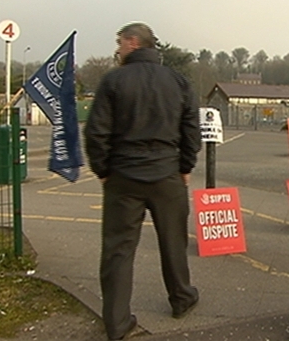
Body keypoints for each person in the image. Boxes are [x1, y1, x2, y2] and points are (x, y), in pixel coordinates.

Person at [84, 22, 201, 341]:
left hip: (123, 174)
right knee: (174, 241)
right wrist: (185, 165)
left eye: (120, 42)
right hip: (167, 173)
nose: (118, 48)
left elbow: (96, 131)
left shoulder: (113, 81)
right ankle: (182, 298)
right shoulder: (179, 81)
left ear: (133, 43)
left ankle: (117, 323)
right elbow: (191, 129)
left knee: (118, 250)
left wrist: (103, 170)